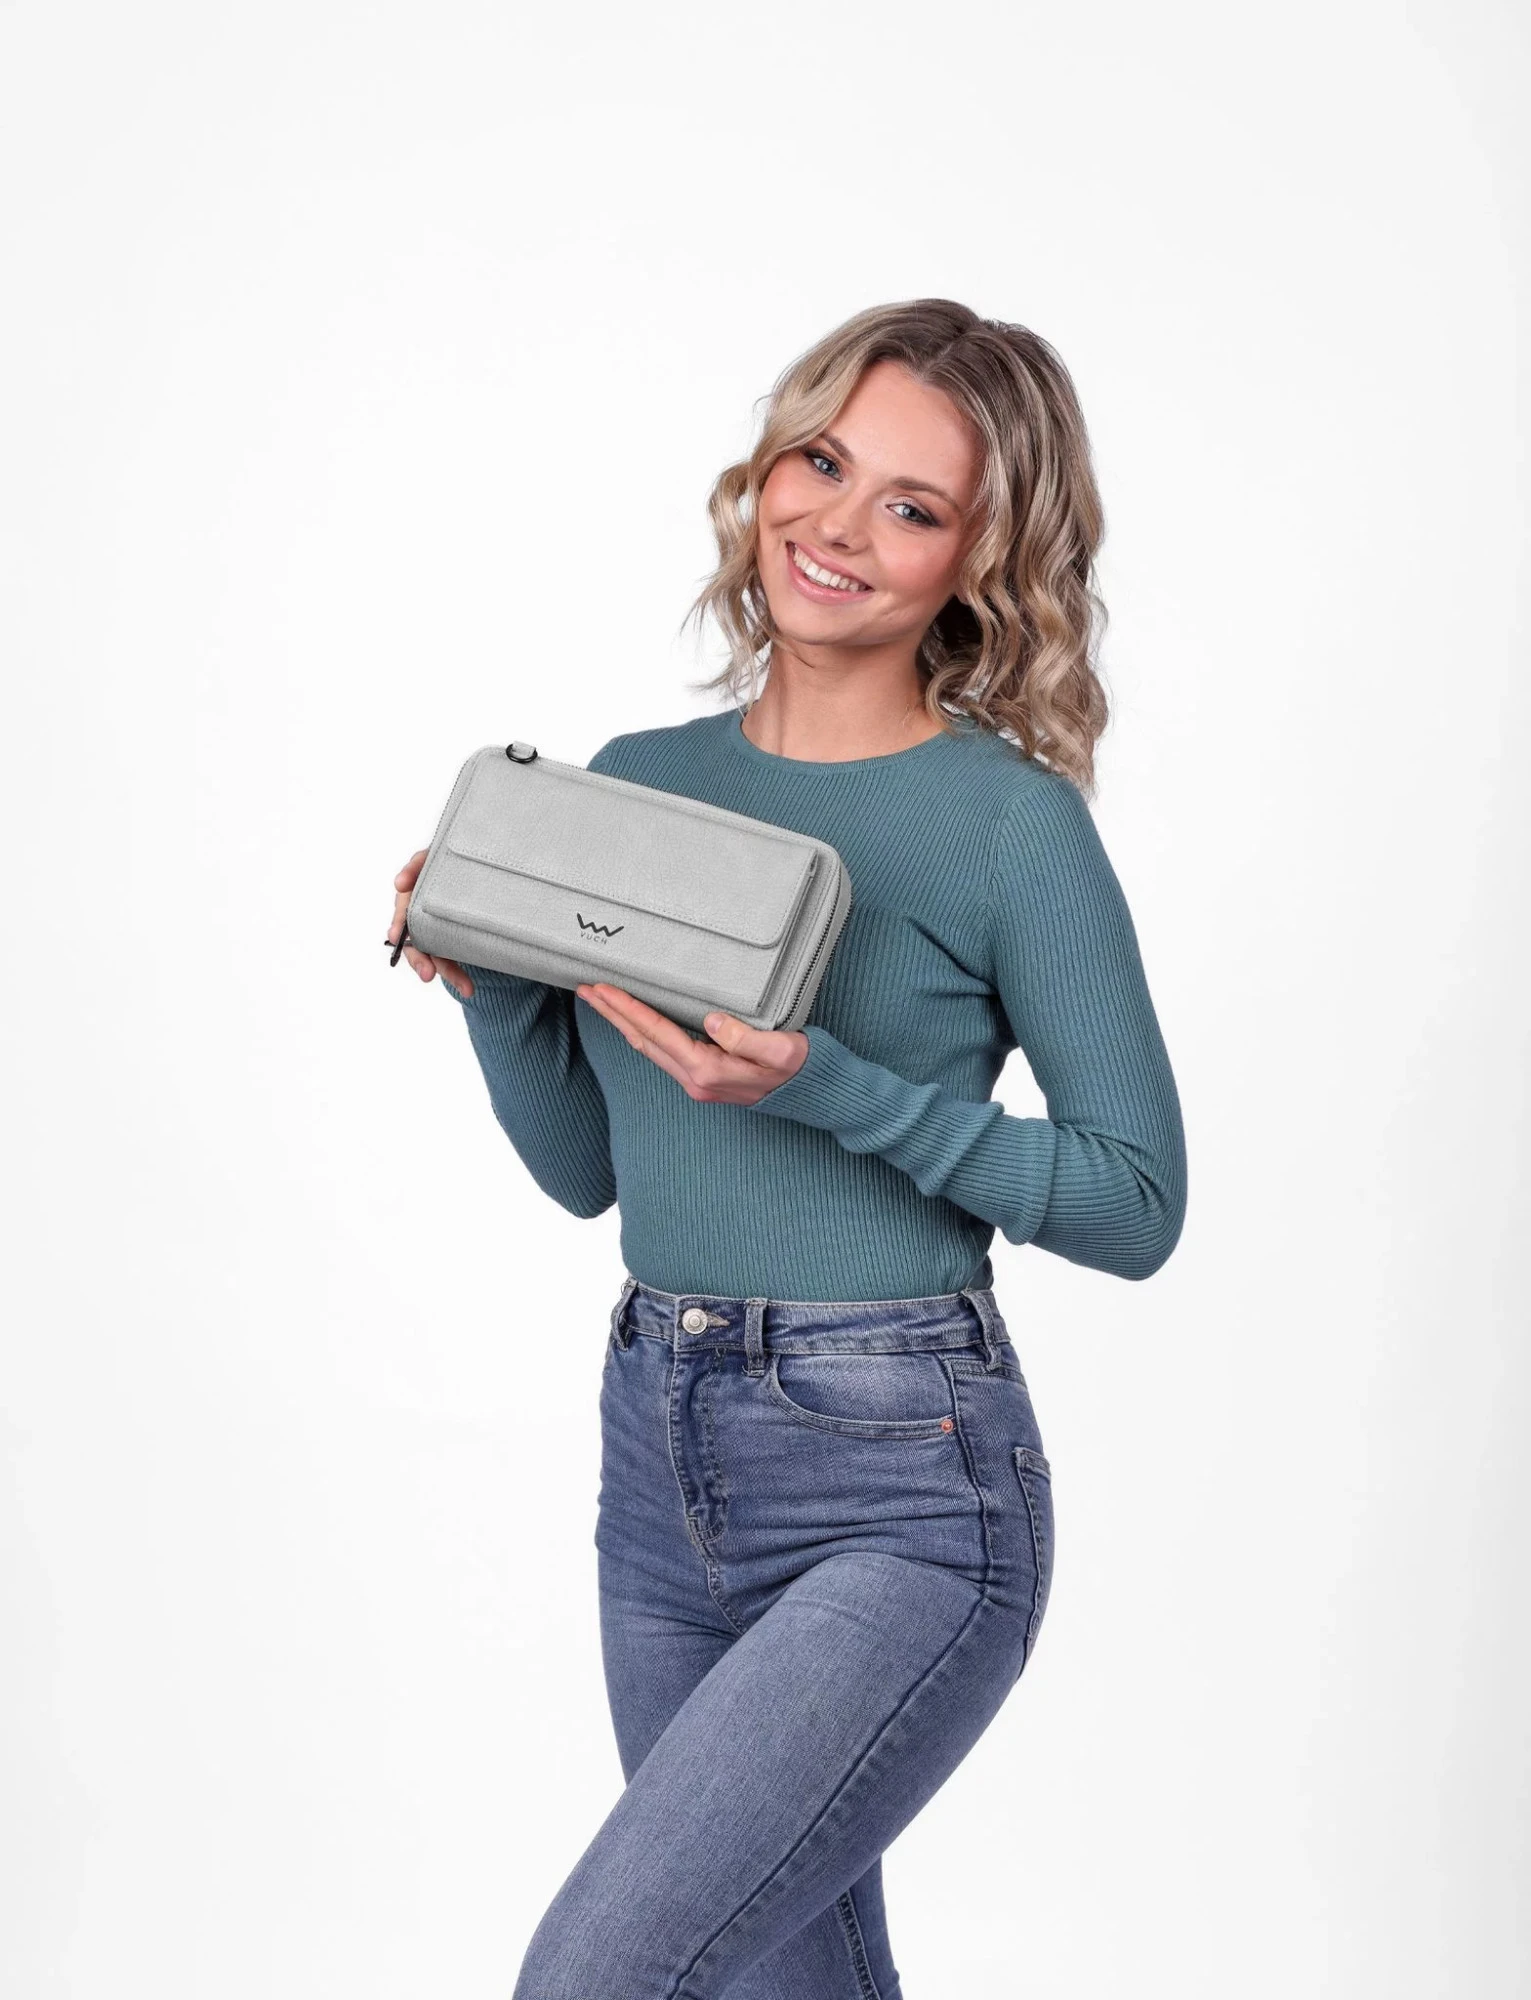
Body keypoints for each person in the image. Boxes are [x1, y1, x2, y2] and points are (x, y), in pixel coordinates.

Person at [385, 298, 1186, 2000]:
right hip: (658, 1450)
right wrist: (492, 984)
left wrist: (833, 1087)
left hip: (902, 1476)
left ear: (978, 562)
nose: (837, 526)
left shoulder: (1006, 823)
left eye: (912, 504)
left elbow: (1133, 1204)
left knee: (599, 1975)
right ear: (762, 473)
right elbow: (592, 1176)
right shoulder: (633, 783)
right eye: (820, 462)